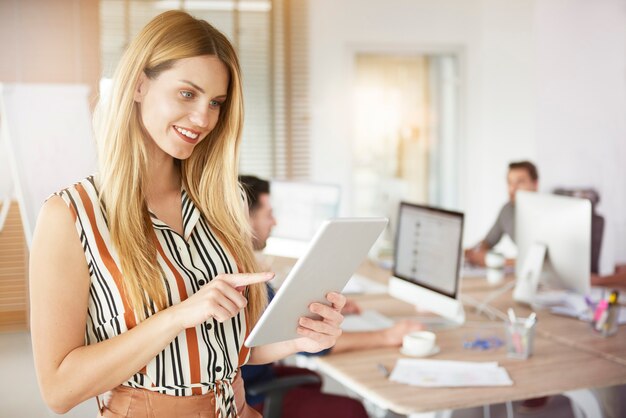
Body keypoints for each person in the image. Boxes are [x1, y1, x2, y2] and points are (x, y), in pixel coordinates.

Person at [29, 11, 346, 418]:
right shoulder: (71, 215)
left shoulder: (221, 201)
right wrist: (178, 316)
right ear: (140, 85)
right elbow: (58, 390)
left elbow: (232, 344)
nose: (203, 119)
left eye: (216, 103)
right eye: (187, 94)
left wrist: (301, 339)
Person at [239, 175, 424, 416]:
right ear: (245, 218)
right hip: (249, 395)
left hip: (255, 376)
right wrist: (388, 336)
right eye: (268, 214)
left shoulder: (246, 266)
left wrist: (314, 304)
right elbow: (308, 340)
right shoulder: (248, 279)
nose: (274, 222)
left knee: (312, 380)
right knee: (352, 409)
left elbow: (280, 320)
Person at [465, 160, 539, 267]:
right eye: (509, 183)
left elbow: (540, 262)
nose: (512, 189)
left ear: (535, 184)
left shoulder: (546, 215)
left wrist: (491, 260)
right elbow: (487, 242)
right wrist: (472, 253)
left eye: (520, 182)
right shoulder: (507, 210)